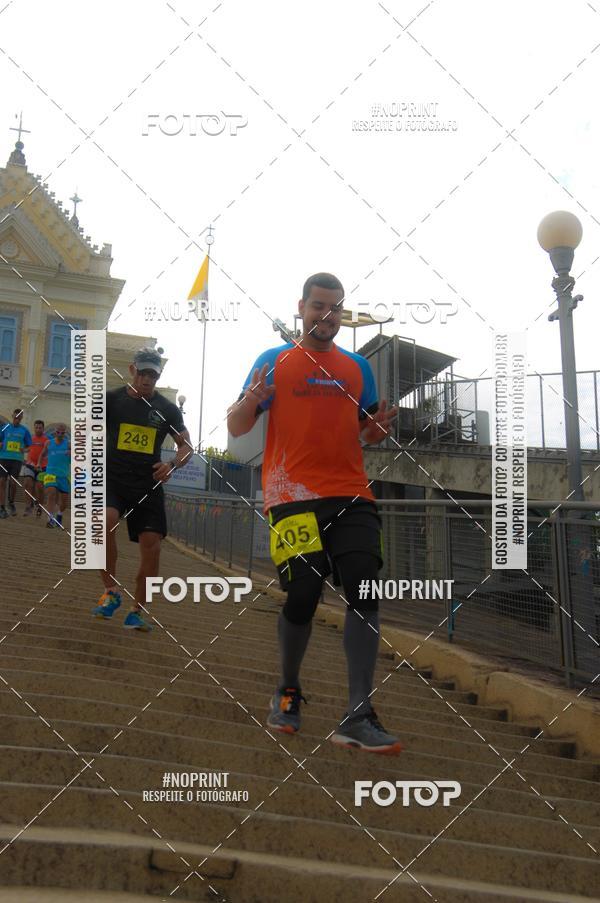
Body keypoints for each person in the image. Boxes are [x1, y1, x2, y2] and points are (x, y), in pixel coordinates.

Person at [227, 272, 402, 754]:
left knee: (365, 587)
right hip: (289, 497)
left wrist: (375, 433)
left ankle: (358, 713)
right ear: (301, 307)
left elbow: (365, 431)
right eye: (318, 306)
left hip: (351, 493)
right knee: (302, 596)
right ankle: (288, 690)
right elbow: (238, 425)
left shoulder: (357, 369)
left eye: (336, 309)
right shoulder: (273, 361)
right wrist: (251, 400)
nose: (327, 317)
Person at [93, 347, 192, 632]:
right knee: (103, 522)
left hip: (148, 484)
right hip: (113, 479)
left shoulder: (167, 409)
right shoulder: (110, 400)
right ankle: (110, 591)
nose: (147, 379)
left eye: (153, 374)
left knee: (153, 547)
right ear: (131, 370)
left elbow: (186, 447)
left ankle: (137, 610)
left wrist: (172, 464)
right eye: (143, 372)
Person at [0, 409, 32, 518]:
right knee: (2, 481)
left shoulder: (25, 430)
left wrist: (25, 450)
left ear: (21, 417)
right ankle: (2, 507)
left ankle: (11, 503)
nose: (17, 418)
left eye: (19, 416)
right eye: (16, 416)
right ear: (12, 415)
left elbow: (29, 446)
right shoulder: (5, 427)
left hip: (17, 460)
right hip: (4, 458)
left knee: (13, 483)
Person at [41, 424, 71, 528]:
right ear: (55, 432)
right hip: (50, 474)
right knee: (51, 494)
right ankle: (50, 519)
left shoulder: (68, 445)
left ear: (65, 433)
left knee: (64, 503)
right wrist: (38, 465)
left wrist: (72, 452)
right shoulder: (49, 443)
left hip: (63, 476)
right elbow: (42, 454)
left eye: (62, 433)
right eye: (58, 432)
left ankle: (59, 514)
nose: (60, 434)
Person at [21, 419, 48, 516]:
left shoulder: (47, 440)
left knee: (39, 487)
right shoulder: (30, 438)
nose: (38, 429)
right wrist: (22, 452)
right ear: (34, 428)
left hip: (42, 466)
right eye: (36, 427)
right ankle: (28, 506)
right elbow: (27, 449)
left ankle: (39, 506)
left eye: (40, 428)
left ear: (43, 429)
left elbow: (49, 453)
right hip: (30, 465)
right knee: (27, 483)